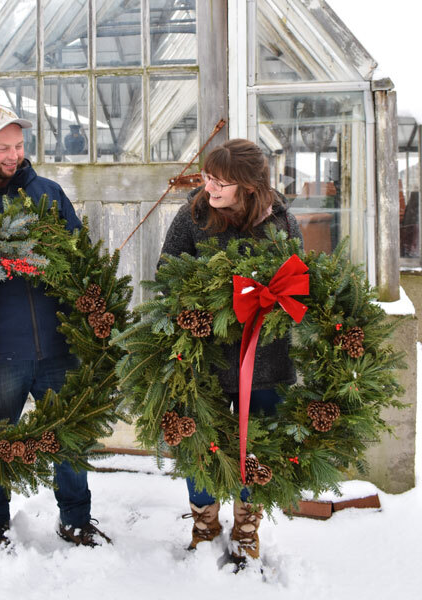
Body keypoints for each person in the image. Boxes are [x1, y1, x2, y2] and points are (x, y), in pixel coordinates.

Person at [0, 104, 111, 553]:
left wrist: (91, 307)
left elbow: (79, 261)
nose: (14, 155)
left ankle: (75, 519)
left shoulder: (48, 195)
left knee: (71, 439)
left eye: (19, 145)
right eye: (2, 148)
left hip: (58, 347)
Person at [159, 138, 303, 567]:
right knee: (197, 444)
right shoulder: (192, 216)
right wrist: (206, 306)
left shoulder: (281, 223)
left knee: (256, 447)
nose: (210, 187)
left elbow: (296, 282)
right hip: (201, 360)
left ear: (248, 185)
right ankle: (205, 522)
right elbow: (167, 273)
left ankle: (246, 526)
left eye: (220, 182)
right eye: (207, 177)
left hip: (267, 361)